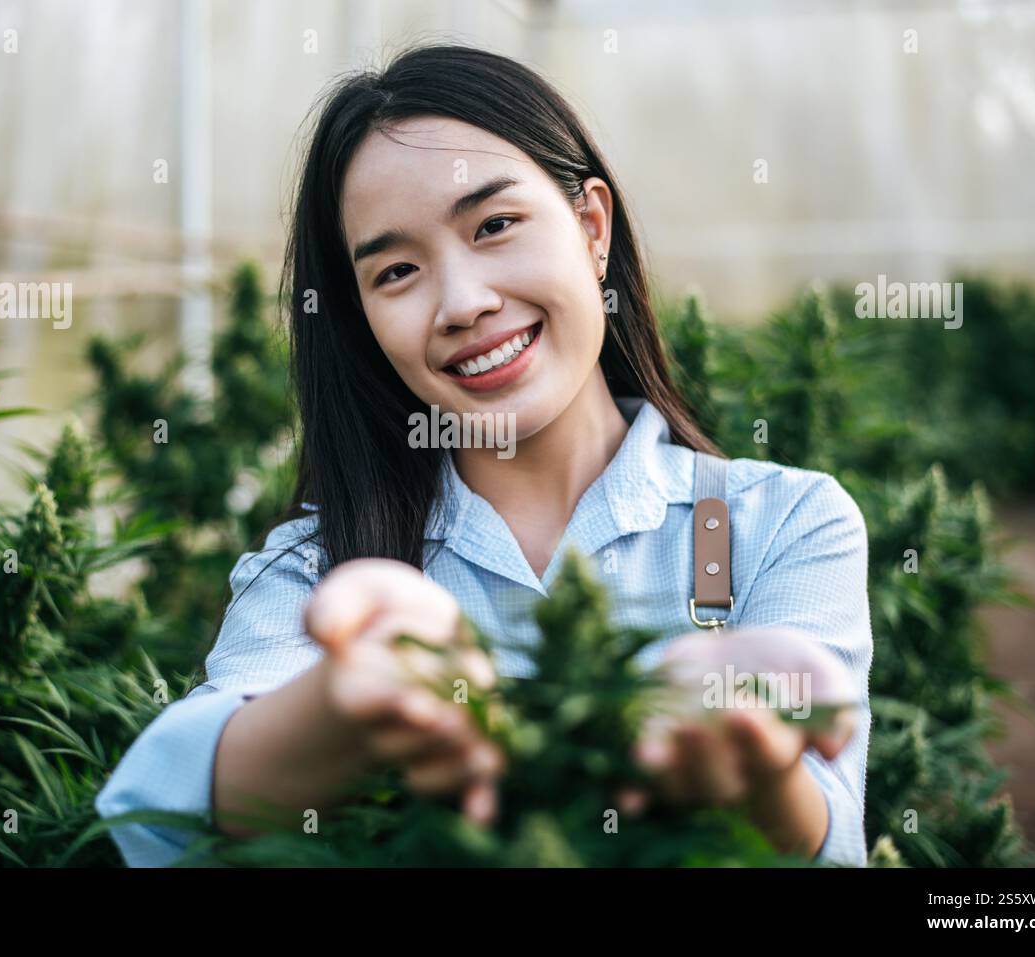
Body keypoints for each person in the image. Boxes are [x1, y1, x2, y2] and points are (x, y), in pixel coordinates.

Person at [94, 43, 872, 868]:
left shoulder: (777, 522)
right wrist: (340, 709)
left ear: (591, 228)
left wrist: (754, 763)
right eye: (397, 270)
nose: (464, 302)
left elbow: (833, 841)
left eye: (495, 225)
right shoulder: (323, 574)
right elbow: (157, 823)